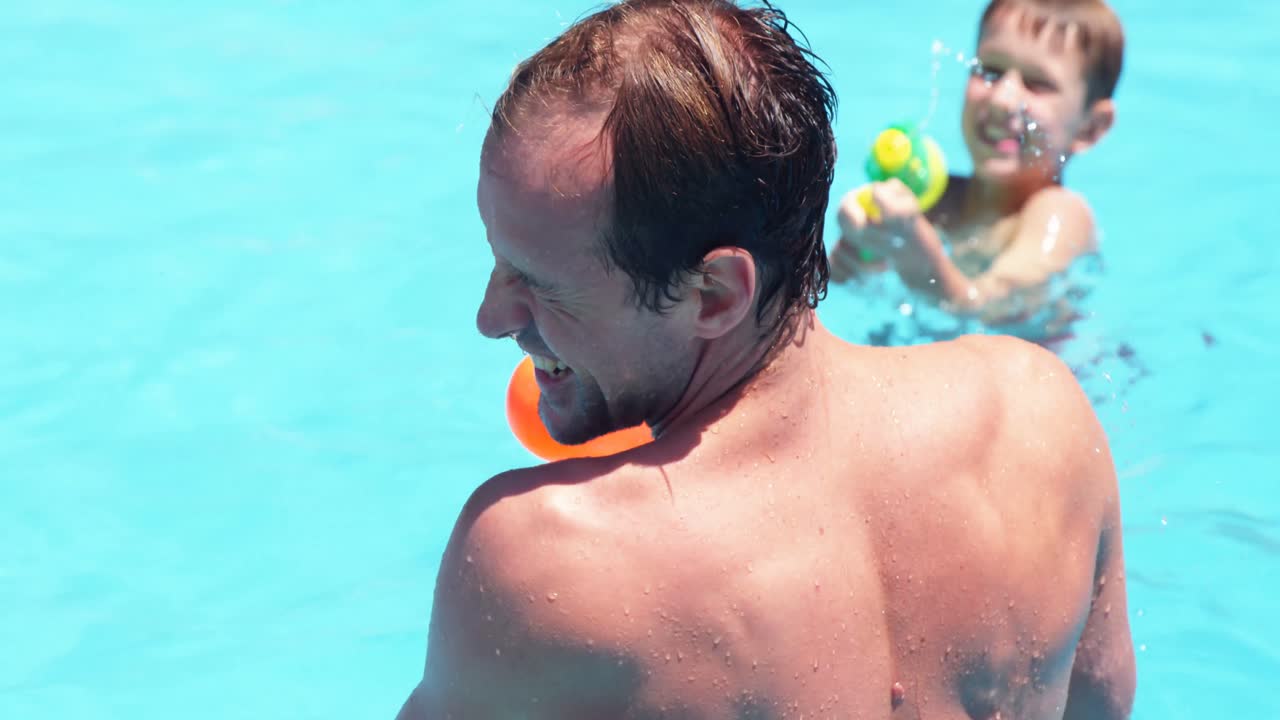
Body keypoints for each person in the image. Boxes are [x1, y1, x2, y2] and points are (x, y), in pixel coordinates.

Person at [398, 1, 1135, 717]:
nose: (490, 319)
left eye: (539, 283)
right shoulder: (1043, 422)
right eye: (500, 263)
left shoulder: (541, 560)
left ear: (716, 294)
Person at [828, 0, 1123, 334]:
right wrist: (855, 261)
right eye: (990, 71)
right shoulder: (934, 201)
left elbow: (990, 309)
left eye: (1037, 83)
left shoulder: (1061, 214)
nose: (1002, 99)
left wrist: (916, 255)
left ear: (1091, 127)